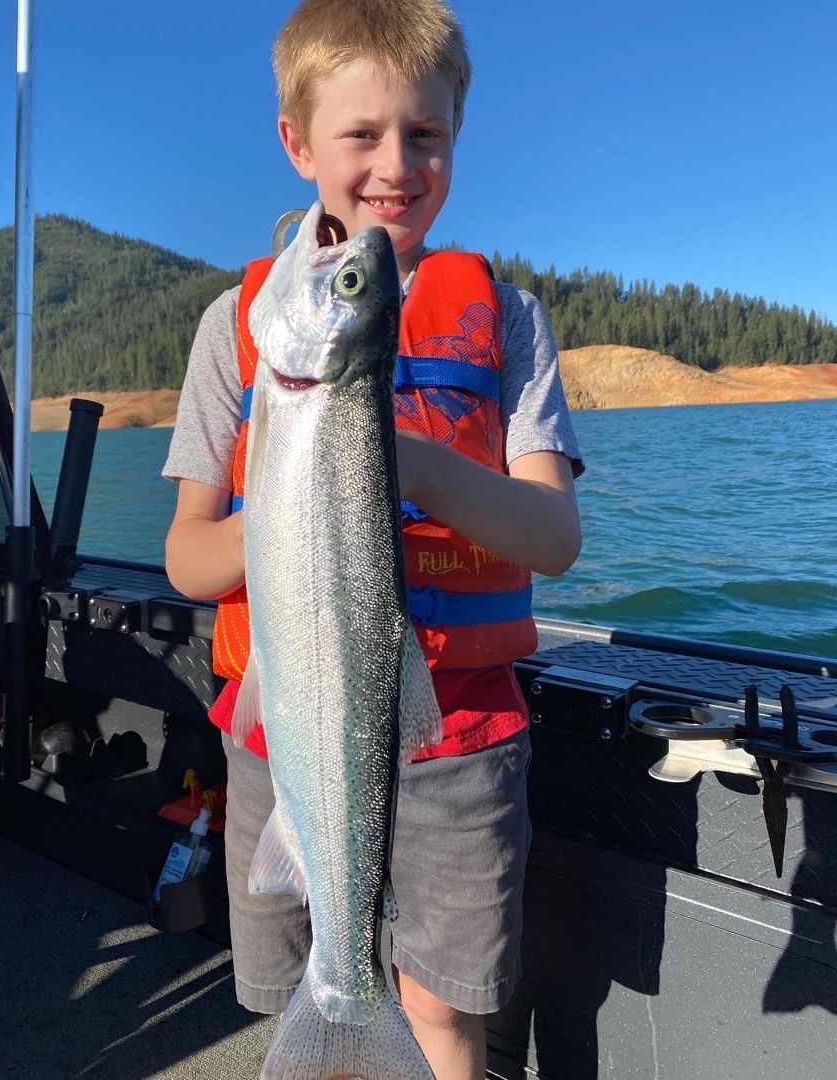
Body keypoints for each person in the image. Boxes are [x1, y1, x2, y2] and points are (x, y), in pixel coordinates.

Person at [163, 1, 583, 1076]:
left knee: (442, 1015)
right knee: (294, 985)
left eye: (426, 134)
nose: (396, 164)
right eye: (360, 134)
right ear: (297, 143)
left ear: (456, 137)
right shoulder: (238, 328)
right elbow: (188, 560)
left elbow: (554, 538)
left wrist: (411, 466)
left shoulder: (514, 321)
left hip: (461, 741)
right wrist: (306, 503)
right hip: (284, 735)